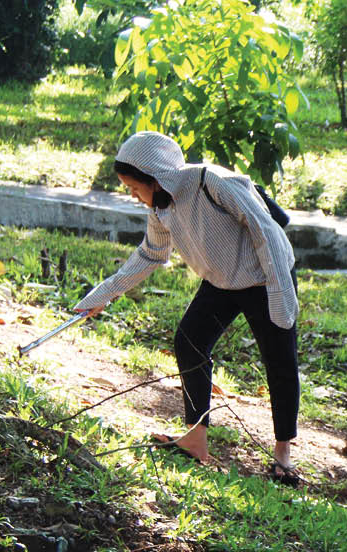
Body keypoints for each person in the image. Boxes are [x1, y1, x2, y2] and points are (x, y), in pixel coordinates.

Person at [74, 131, 301, 484]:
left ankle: (283, 455)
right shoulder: (160, 206)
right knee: (189, 340)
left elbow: (265, 231)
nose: (133, 196)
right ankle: (196, 439)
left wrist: (280, 291)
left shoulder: (213, 182)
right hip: (222, 281)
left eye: (135, 187)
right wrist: (100, 296)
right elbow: (151, 254)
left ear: (155, 176)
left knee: (279, 359)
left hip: (264, 274)